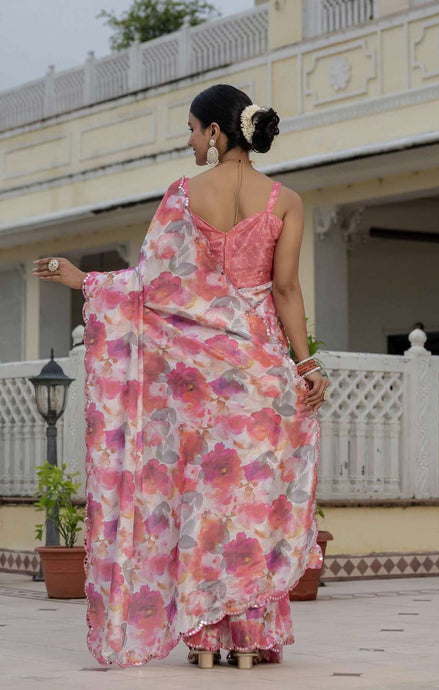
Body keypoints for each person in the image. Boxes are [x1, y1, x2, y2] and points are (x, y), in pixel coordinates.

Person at [32, 84, 329, 671]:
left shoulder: (183, 196)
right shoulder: (286, 201)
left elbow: (150, 285)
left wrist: (82, 280)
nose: (190, 141)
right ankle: (247, 638)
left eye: (193, 130)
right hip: (262, 377)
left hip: (201, 382)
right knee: (250, 507)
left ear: (216, 132)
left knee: (204, 505)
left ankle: (205, 638)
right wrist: (305, 364)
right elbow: (286, 289)